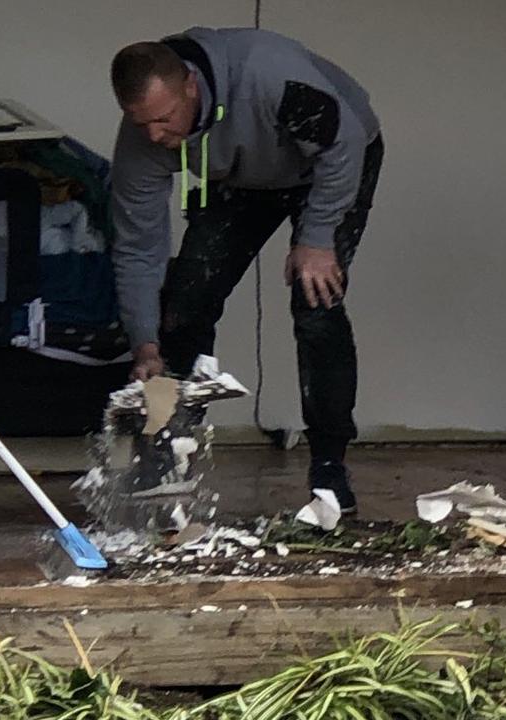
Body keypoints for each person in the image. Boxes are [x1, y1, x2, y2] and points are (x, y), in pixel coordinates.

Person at [107, 27, 383, 513]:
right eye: (140, 121)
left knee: (314, 300)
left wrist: (316, 239)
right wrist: (144, 341)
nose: (155, 135)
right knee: (184, 304)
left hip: (335, 160)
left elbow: (344, 145)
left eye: (164, 118)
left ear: (190, 84)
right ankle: (166, 456)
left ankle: (329, 470)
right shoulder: (144, 136)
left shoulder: (269, 75)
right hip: (243, 174)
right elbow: (138, 247)